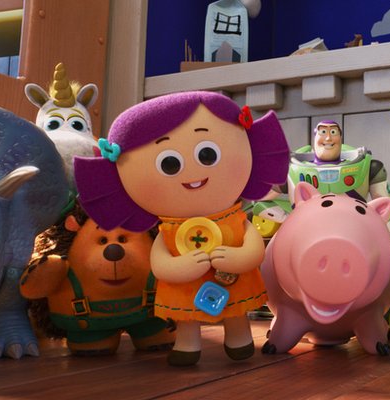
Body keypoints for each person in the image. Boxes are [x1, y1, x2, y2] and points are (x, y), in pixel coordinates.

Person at [73, 91, 289, 366]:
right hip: (185, 289)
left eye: (207, 155)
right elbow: (160, 263)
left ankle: (239, 338)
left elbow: (255, 249)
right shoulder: (167, 231)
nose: (193, 173)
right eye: (170, 164)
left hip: (233, 283)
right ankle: (187, 344)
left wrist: (239, 257)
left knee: (236, 312)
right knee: (186, 315)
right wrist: (178, 267)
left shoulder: (237, 219)